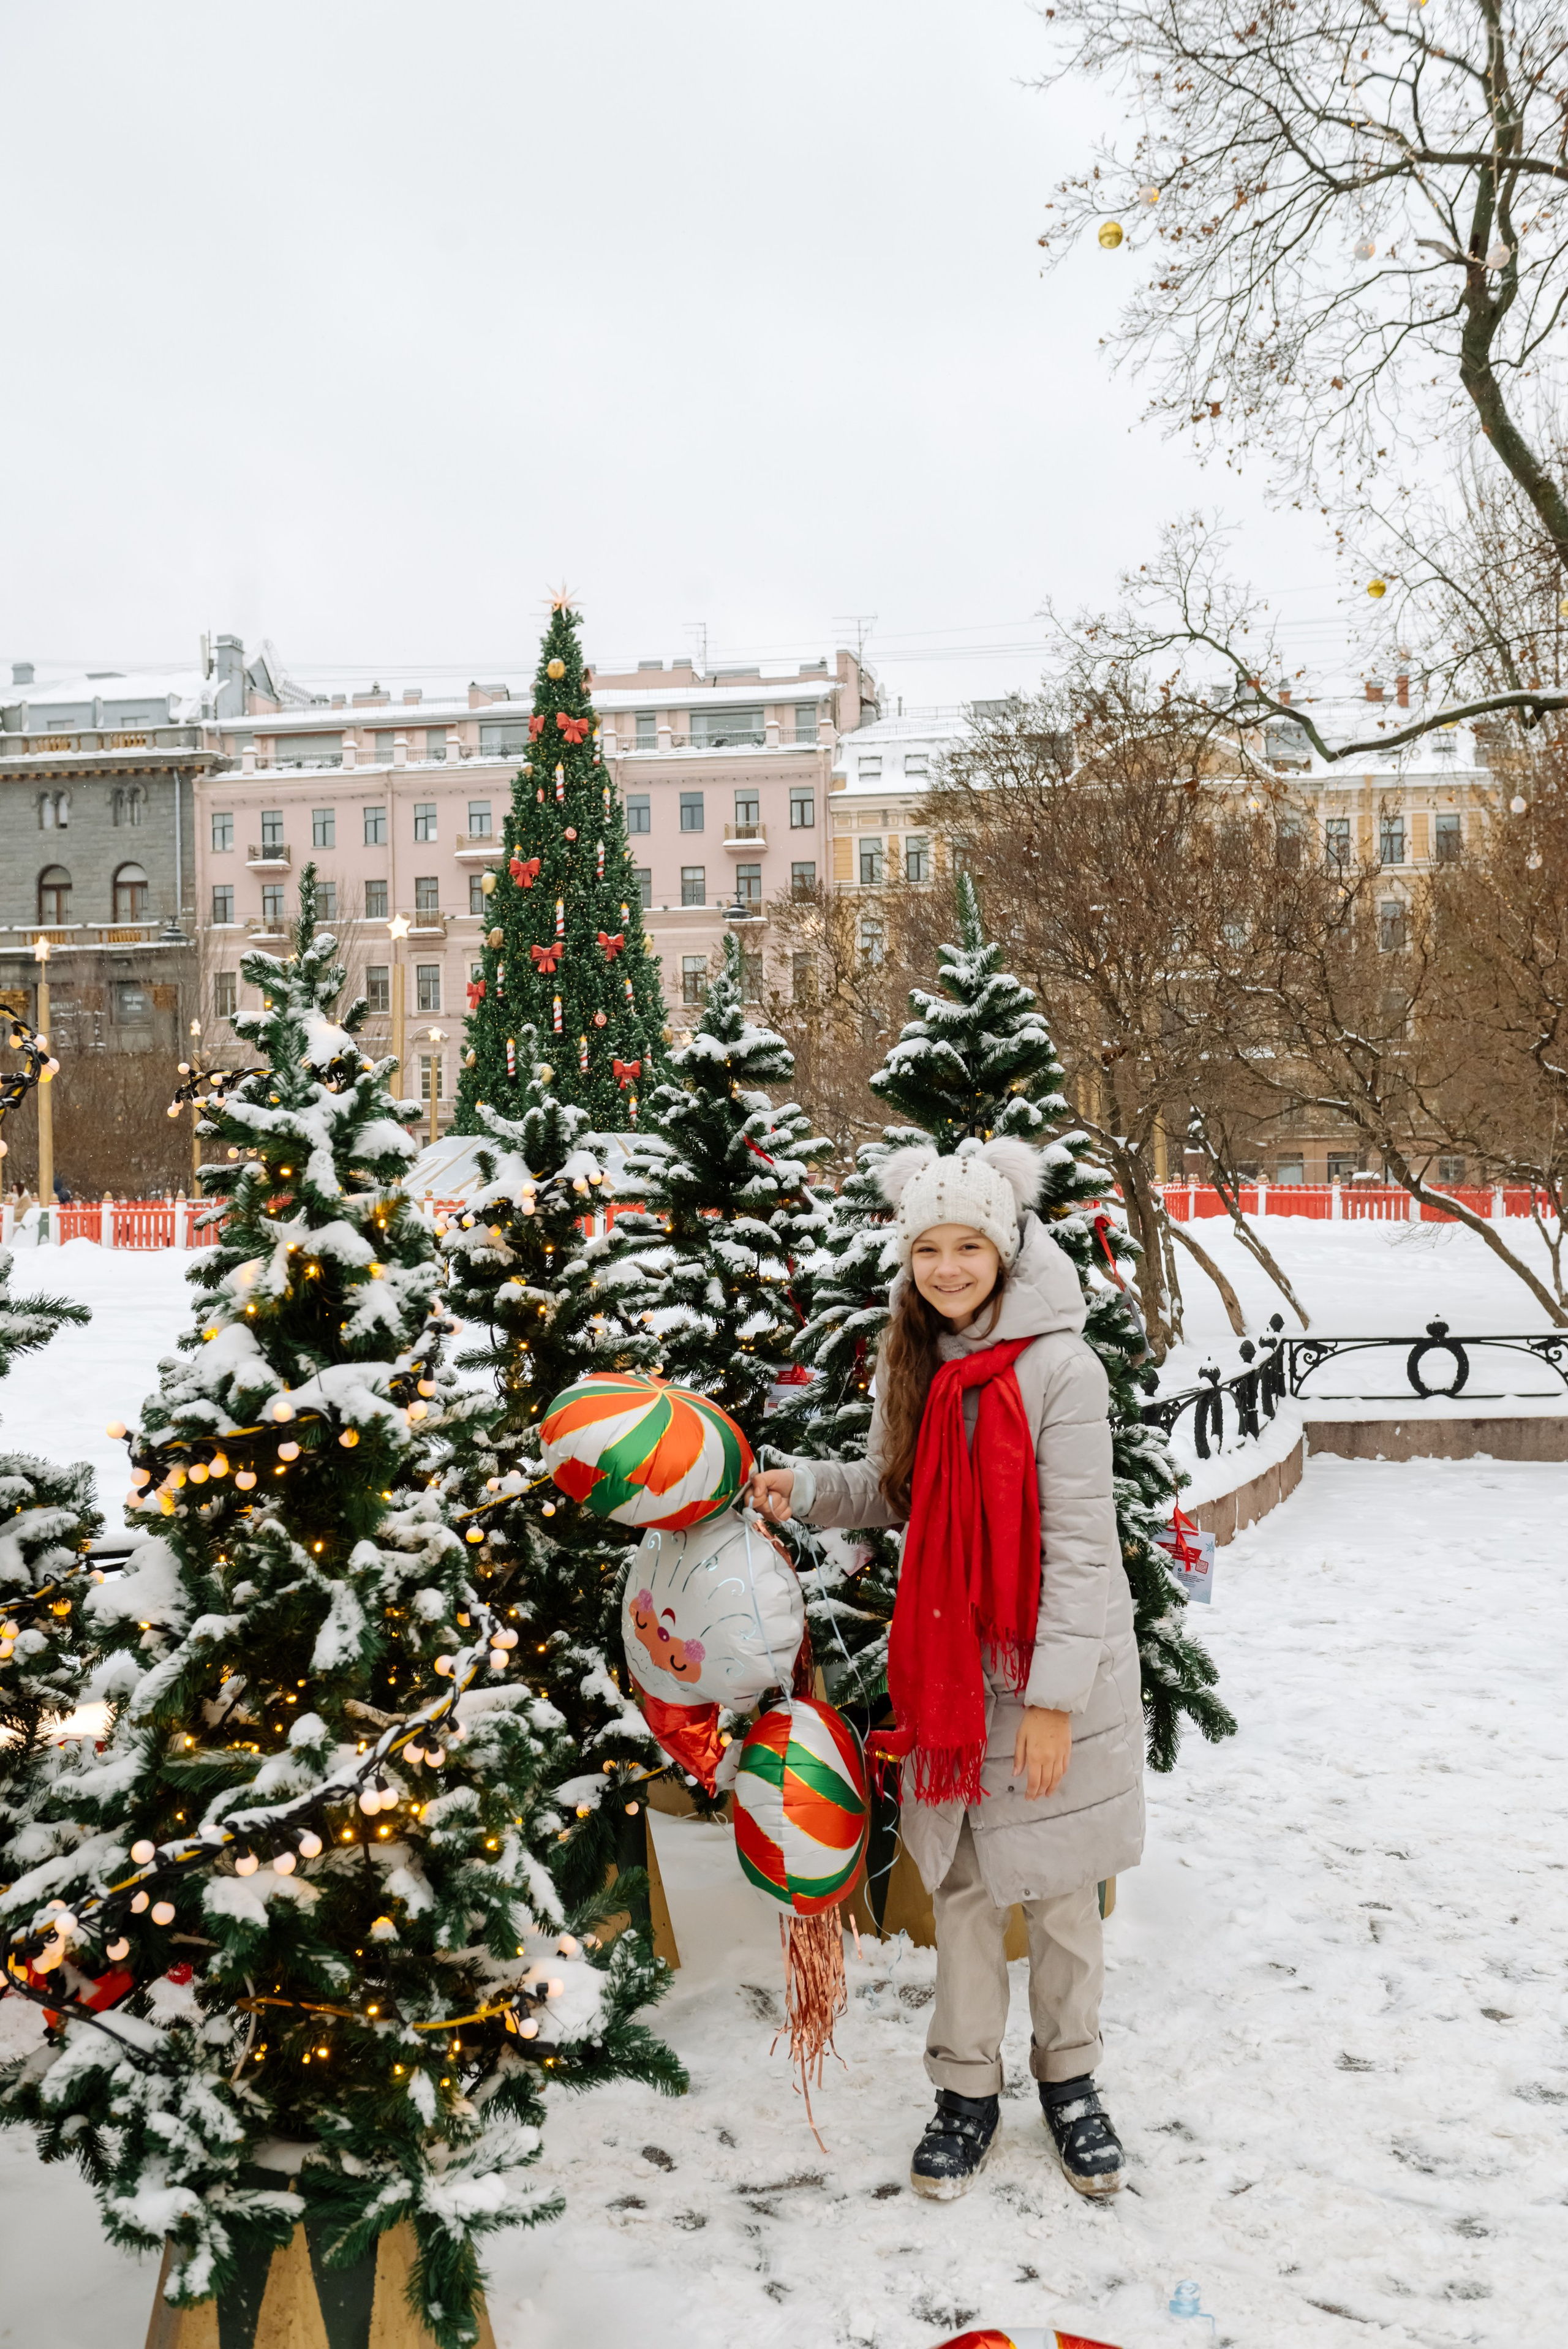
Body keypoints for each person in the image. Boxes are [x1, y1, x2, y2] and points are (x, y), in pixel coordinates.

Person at [749, 1136, 1144, 2201]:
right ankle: (965, 2093)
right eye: (931, 1248)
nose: (950, 1268)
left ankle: (1071, 2085)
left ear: (1007, 1250)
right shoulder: (915, 1357)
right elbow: (897, 1487)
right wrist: (805, 1487)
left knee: (1061, 1893)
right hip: (955, 1669)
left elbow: (1079, 1546)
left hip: (1046, 1666)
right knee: (965, 1888)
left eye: (970, 1245)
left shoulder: (1063, 1368)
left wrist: (1056, 1702)